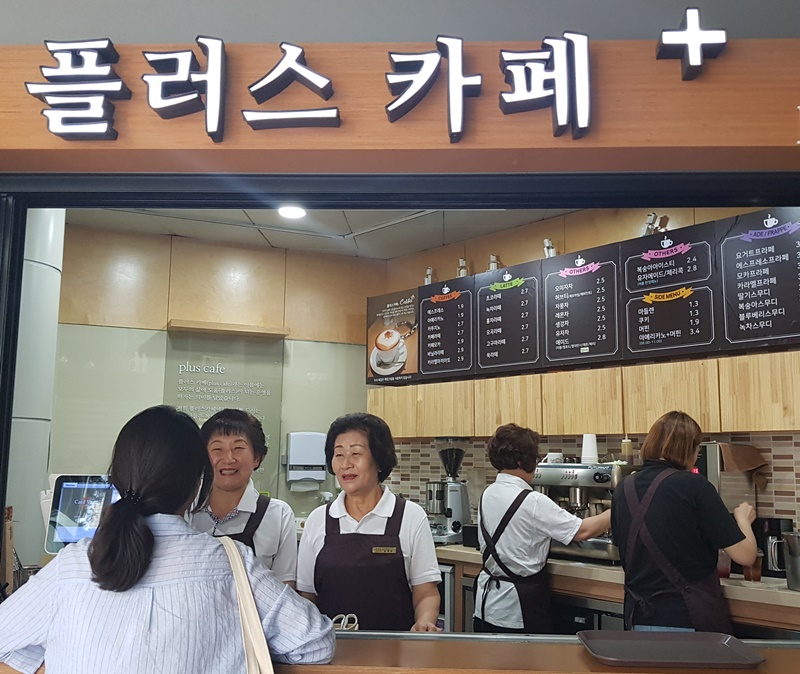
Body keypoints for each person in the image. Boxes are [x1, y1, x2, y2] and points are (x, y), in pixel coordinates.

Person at [0, 405, 334, 673]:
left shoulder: (71, 565)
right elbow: (316, 644)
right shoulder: (229, 563)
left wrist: (50, 660)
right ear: (196, 483)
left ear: (117, 477)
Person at [611, 410, 757, 633]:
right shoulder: (694, 486)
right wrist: (743, 520)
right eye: (697, 450)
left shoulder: (624, 488)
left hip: (637, 621)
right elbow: (745, 556)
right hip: (688, 621)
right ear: (689, 450)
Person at [296, 412, 442, 631]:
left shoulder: (410, 516)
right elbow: (306, 595)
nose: (346, 464)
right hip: (331, 651)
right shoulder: (319, 519)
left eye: (356, 453)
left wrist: (424, 622)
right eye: (338, 455)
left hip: (395, 652)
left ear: (380, 459)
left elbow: (426, 593)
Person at [473, 423, 611, 634]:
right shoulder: (532, 501)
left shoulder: (488, 493)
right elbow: (582, 531)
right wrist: (619, 507)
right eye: (534, 458)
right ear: (522, 460)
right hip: (518, 613)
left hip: (486, 606)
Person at [191, 408, 297, 586]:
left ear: (257, 458)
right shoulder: (185, 508)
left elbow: (285, 589)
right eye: (217, 449)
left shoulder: (279, 515)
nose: (229, 458)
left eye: (238, 448)